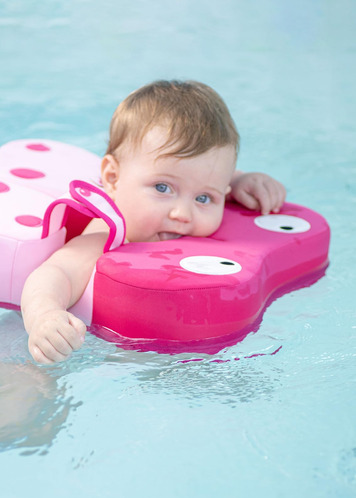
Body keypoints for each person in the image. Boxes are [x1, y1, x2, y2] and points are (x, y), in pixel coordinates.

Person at [21, 80, 286, 364]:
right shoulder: (108, 234)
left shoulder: (203, 187)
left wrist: (244, 180)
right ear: (112, 177)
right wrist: (45, 317)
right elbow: (54, 274)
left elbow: (204, 175)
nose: (182, 214)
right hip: (92, 351)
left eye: (204, 198)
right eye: (162, 188)